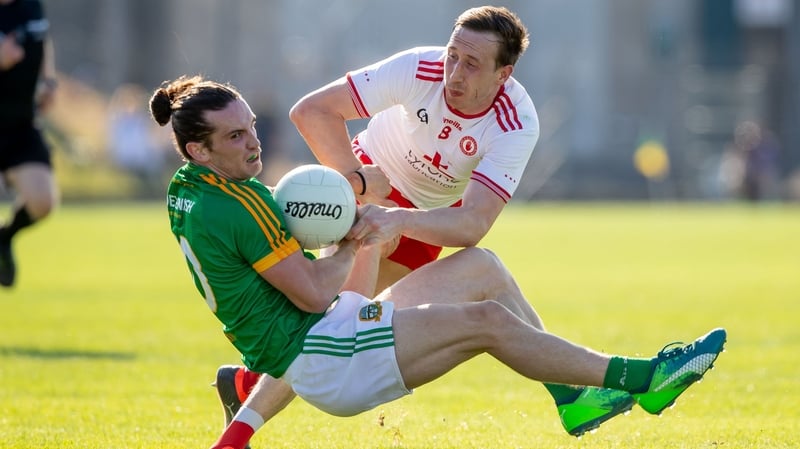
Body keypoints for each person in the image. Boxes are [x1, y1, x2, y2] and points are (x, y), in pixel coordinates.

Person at [151, 75, 727, 449]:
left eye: (253, 128)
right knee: (489, 323)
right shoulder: (240, 204)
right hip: (330, 357)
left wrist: (357, 216)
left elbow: (301, 297)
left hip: (320, 338)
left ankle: (573, 397)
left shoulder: (190, 186)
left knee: (483, 269)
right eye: (235, 137)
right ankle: (643, 379)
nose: (253, 143)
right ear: (199, 149)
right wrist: (355, 233)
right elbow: (313, 297)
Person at [216, 5, 543, 434]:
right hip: (368, 185)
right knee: (332, 325)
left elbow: (471, 225)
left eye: (472, 64)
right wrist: (357, 183)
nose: (454, 73)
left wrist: (398, 221)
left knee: (339, 333)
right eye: (452, 55)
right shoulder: (419, 67)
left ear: (504, 75)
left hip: (423, 220)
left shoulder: (515, 122)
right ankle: (575, 393)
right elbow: (311, 111)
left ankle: (244, 385)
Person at [0, 0, 59, 288]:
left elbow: (43, 38)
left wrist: (48, 81)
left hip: (21, 125)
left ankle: (4, 237)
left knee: (43, 203)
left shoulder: (31, 5)